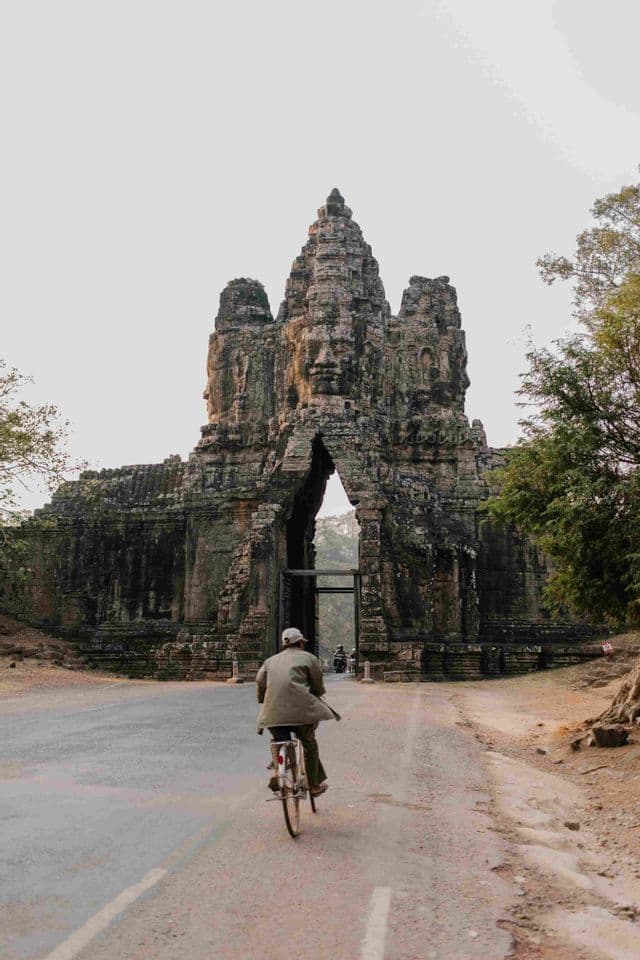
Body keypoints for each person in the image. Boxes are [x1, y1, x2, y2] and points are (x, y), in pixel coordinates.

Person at [257, 627, 338, 796]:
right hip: (302, 713)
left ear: (284, 645)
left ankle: (279, 773)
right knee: (309, 744)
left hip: (272, 713)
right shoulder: (309, 658)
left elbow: (260, 681)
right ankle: (314, 786)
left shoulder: (270, 661)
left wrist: (263, 700)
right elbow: (317, 685)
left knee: (279, 740)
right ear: (301, 643)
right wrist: (317, 694)